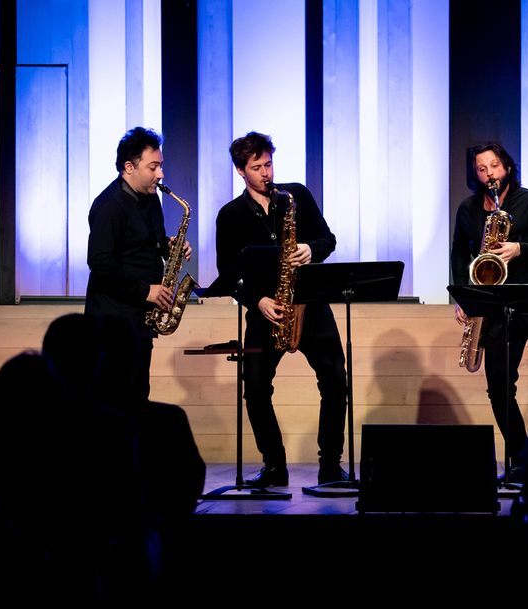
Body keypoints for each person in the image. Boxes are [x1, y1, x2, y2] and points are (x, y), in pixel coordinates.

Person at [215, 132, 348, 487]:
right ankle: (274, 466)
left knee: (335, 382)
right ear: (241, 171)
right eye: (256, 167)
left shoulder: (296, 195)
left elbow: (327, 239)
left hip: (311, 306)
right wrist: (257, 299)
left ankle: (331, 465)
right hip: (266, 312)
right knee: (255, 389)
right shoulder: (229, 216)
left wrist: (309, 248)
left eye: (269, 164)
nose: (266, 173)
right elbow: (226, 274)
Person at [451, 142, 528, 480]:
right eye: (481, 168)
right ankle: (523, 461)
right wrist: (463, 297)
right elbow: (460, 255)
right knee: (499, 387)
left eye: (494, 166)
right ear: (474, 174)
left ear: (507, 167)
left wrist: (520, 248)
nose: (489, 173)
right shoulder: (468, 210)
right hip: (498, 308)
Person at [85, 127, 190, 399]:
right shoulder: (110, 205)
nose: (161, 174)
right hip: (114, 321)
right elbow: (100, 262)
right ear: (129, 167)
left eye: (161, 166)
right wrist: (147, 290)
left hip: (139, 320)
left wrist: (170, 246)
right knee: (114, 396)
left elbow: (147, 241)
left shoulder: (150, 198)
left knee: (138, 393)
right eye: (153, 167)